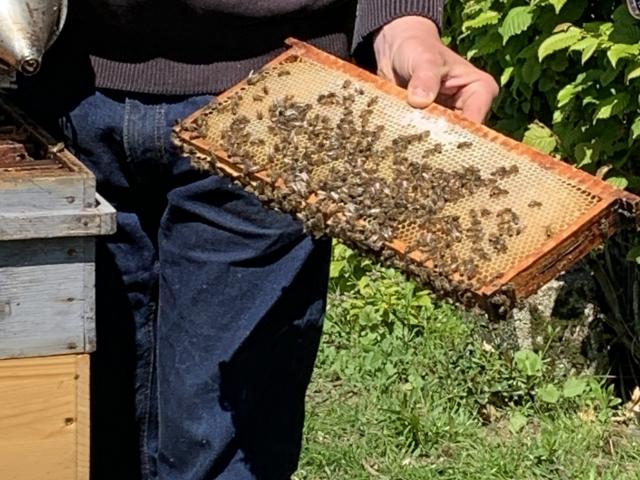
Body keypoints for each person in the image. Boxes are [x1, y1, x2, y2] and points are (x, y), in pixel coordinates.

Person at [17, 1, 498, 479]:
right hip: (50, 90)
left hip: (273, 100)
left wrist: (401, 19)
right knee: (62, 426)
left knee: (224, 443)